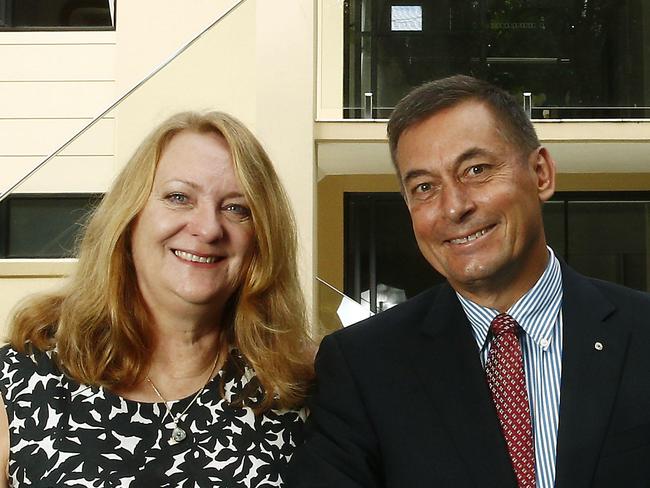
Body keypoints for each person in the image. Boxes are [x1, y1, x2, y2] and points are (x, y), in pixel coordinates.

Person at [286, 75, 650, 487]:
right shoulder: (363, 367)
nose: (454, 207)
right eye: (424, 187)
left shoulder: (643, 332)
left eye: (476, 170)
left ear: (541, 173)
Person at [0, 111, 314, 487]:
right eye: (179, 197)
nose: (209, 228)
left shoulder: (304, 384)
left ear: (262, 240)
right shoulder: (20, 383)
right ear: (129, 218)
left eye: (236, 209)